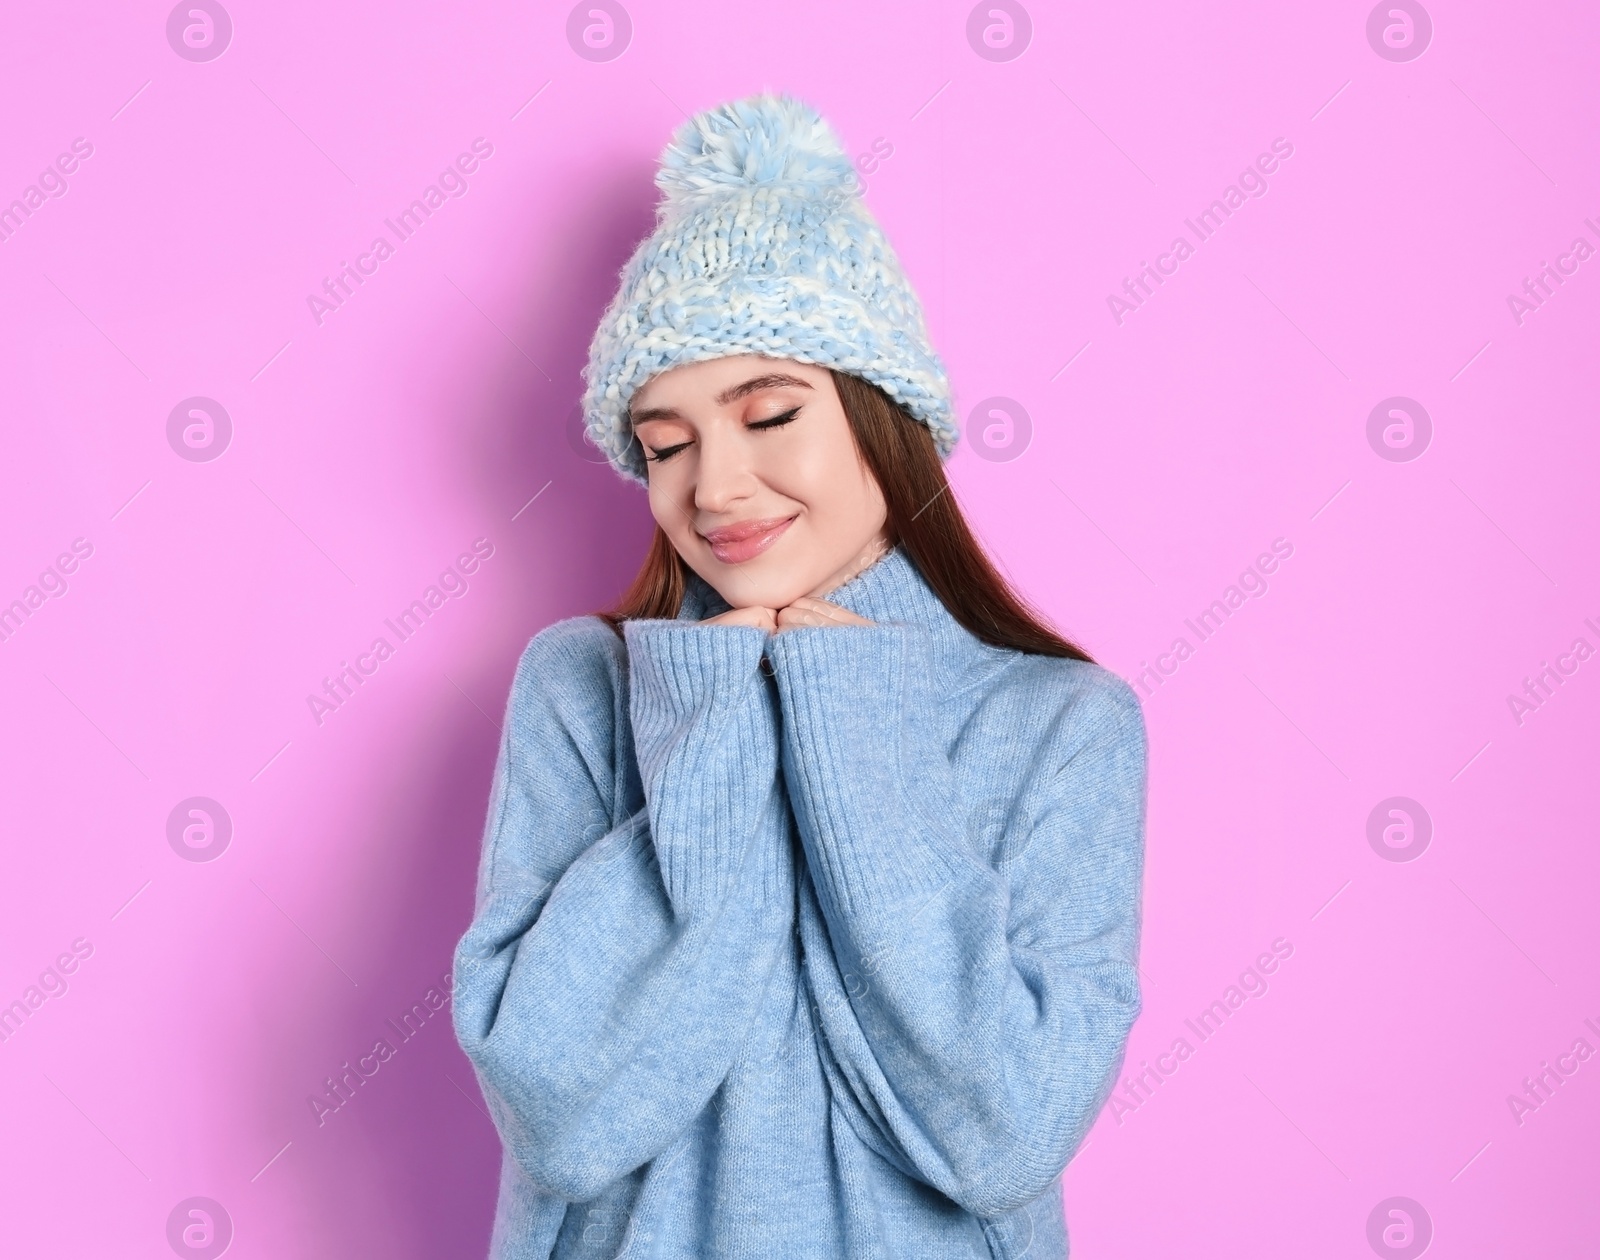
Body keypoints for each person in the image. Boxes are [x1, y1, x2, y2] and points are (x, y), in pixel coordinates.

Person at [451, 91, 1148, 1260]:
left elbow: (1000, 1133)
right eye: (663, 445)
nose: (713, 487)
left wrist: (843, 710)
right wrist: (712, 719)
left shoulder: (1063, 724)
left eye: (768, 413)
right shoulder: (582, 687)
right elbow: (559, 1115)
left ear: (884, 420)